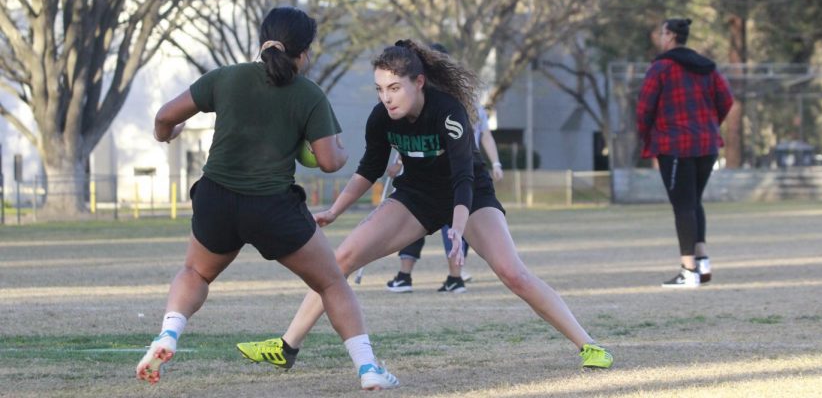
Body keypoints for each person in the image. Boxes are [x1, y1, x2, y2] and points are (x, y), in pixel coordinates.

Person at [235, 40, 613, 370]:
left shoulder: (449, 112)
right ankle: (287, 347)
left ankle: (589, 345)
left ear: (418, 83)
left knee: (514, 274)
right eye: (381, 88)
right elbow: (369, 169)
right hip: (416, 196)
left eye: (395, 87)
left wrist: (459, 229)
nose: (386, 97)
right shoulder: (381, 117)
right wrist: (336, 210)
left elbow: (464, 176)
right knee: (341, 259)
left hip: (470, 196)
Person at [135, 7, 399, 390]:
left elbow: (163, 117)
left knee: (195, 272)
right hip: (272, 208)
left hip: (217, 199)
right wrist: (339, 151)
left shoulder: (226, 77)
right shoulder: (308, 94)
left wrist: (169, 133)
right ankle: (368, 369)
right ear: (304, 52)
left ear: (264, 39)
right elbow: (328, 162)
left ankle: (167, 336)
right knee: (331, 284)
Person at [385, 44, 505, 294]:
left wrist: (495, 163)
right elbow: (410, 137)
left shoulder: (460, 106)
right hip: (425, 179)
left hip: (457, 176)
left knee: (455, 227)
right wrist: (397, 160)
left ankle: (454, 276)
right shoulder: (415, 103)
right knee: (414, 222)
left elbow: (485, 137)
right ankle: (407, 275)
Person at [636, 18, 734, 288]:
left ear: (669, 36)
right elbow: (727, 99)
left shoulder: (661, 68)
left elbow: (644, 107)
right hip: (707, 144)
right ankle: (702, 263)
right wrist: (710, 124)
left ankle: (688, 270)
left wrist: (648, 136)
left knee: (683, 206)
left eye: (661, 32)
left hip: (675, 145)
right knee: (693, 202)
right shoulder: (707, 67)